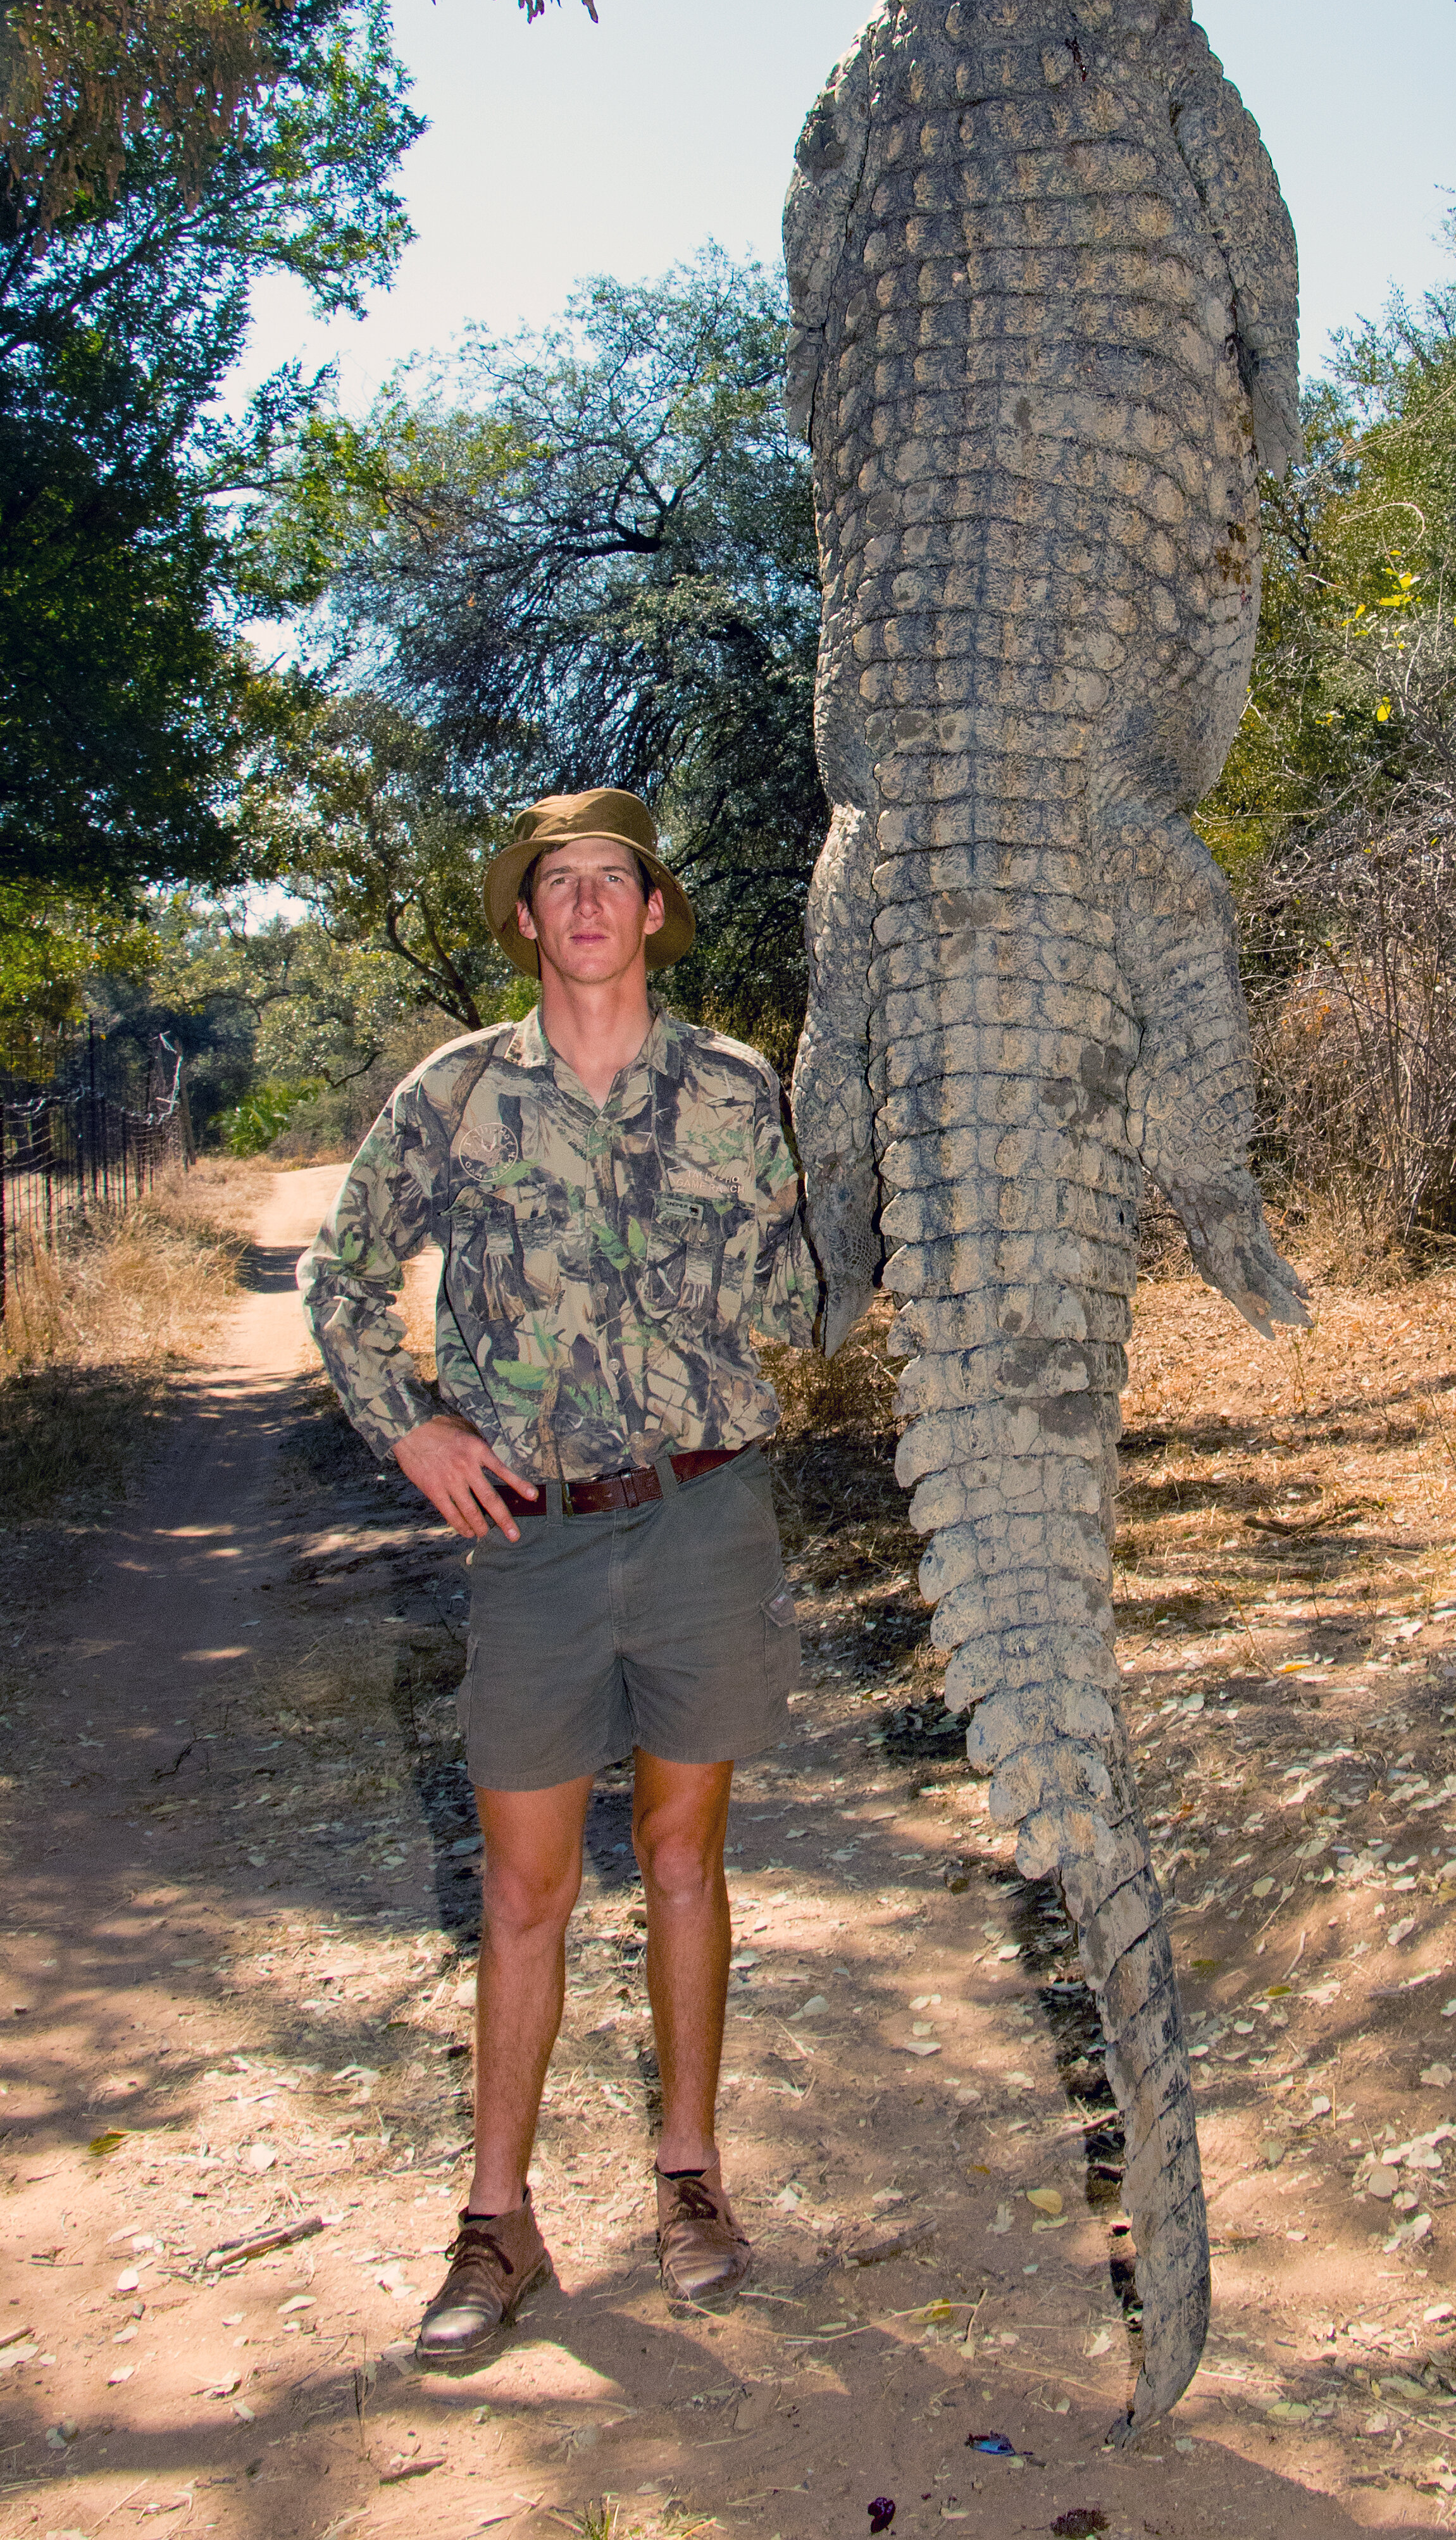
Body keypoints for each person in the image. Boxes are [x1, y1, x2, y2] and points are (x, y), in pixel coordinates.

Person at [299, 787, 823, 2360]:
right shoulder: (456, 1096)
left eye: (613, 877)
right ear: (524, 919)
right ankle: (497, 2220)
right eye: (557, 882)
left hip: (704, 1515)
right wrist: (413, 1432)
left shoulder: (740, 1090)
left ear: (653, 909)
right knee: (525, 1883)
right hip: (528, 1531)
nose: (586, 902)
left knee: (681, 1855)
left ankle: (687, 2179)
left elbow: (809, 1293)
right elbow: (339, 1275)